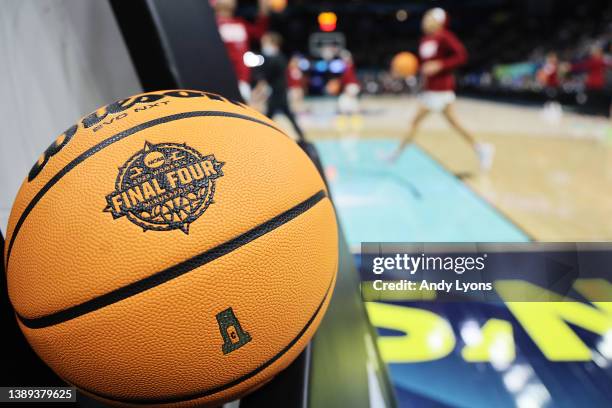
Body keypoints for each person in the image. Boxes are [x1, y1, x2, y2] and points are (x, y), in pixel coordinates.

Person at [388, 8, 494, 171]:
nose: (425, 20)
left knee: (414, 122)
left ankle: (395, 154)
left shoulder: (445, 37)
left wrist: (441, 65)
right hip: (430, 89)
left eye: (429, 17)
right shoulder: (425, 39)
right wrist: (404, 70)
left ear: (439, 21)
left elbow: (461, 56)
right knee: (453, 123)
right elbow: (426, 66)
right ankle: (481, 148)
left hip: (441, 89)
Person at [253, 32, 306, 142]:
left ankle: (259, 137)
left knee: (270, 117)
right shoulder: (276, 58)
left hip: (278, 93)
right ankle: (301, 137)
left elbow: (267, 76)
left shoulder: (277, 59)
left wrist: (259, 89)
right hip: (278, 93)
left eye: (265, 42)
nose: (263, 45)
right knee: (282, 116)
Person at [213, 0, 269, 102]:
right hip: (222, 78)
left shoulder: (240, 23)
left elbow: (259, 33)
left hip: (243, 78)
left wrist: (263, 11)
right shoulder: (211, 24)